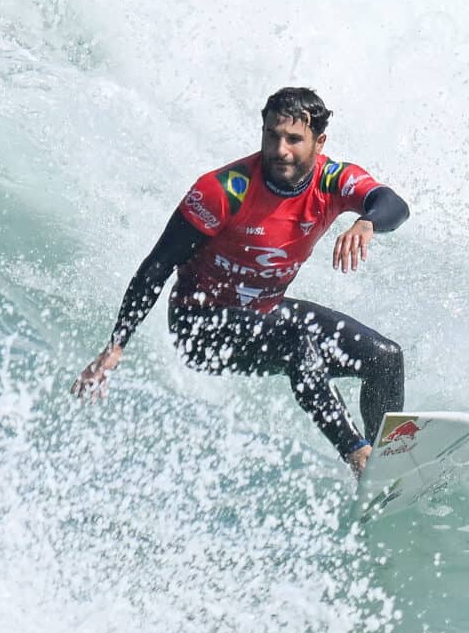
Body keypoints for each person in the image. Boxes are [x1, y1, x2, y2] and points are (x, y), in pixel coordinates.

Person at [70, 87, 411, 475]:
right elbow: (156, 267)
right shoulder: (224, 190)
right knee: (297, 343)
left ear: (319, 142)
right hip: (200, 326)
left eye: (293, 139)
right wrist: (117, 344)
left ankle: (392, 464)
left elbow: (393, 205)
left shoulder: (332, 180)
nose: (279, 150)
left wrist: (367, 221)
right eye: (271, 135)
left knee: (384, 358)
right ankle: (359, 457)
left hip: (264, 311)